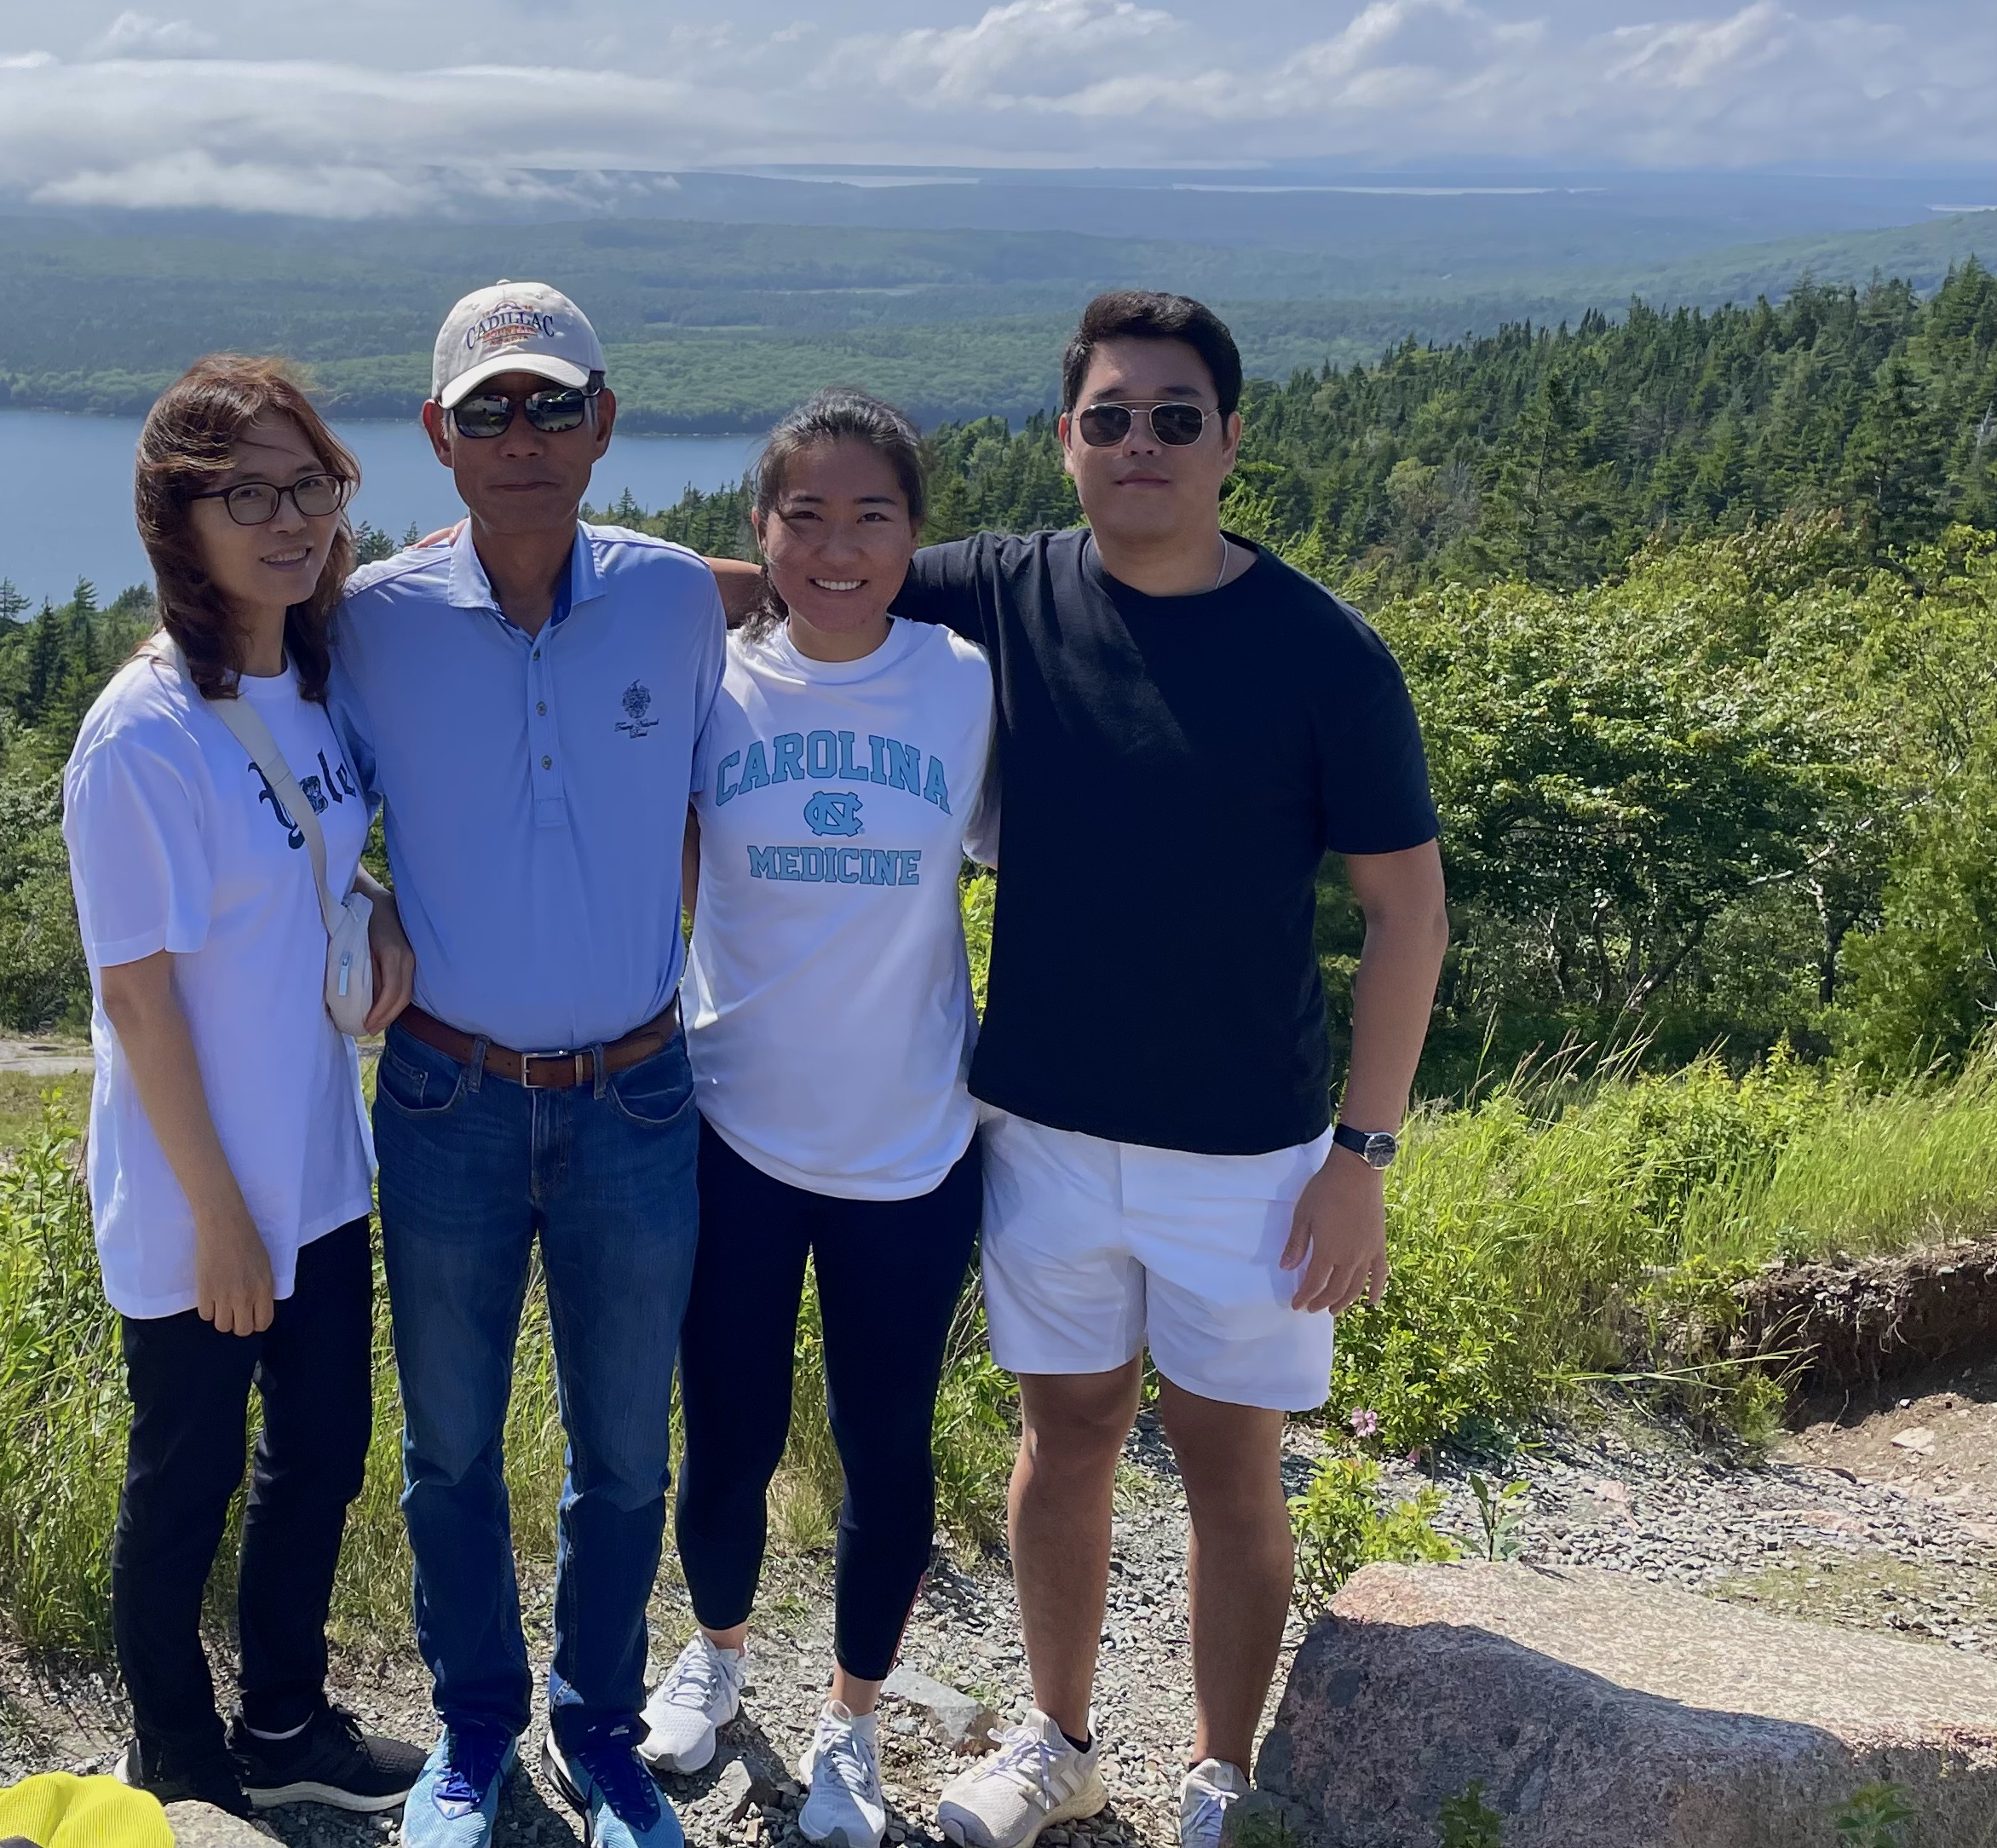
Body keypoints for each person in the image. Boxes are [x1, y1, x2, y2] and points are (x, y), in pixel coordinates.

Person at [703, 291, 1447, 1848]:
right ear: (1064, 439)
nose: (1139, 444)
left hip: (1245, 1148)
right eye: (1108, 416)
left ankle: (1220, 1773)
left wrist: (1359, 1155)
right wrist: (542, 585)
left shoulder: (1322, 654)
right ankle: (1057, 1740)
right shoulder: (1003, 591)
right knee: (1067, 1436)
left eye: (1175, 417)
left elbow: (1404, 914)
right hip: (1035, 1121)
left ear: (1231, 440)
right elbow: (823, 570)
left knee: (1231, 1460)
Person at [327, 282, 728, 1848]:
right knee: (448, 1449)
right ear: (437, 436)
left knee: (628, 1451)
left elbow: (824, 598)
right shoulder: (370, 618)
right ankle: (475, 1730)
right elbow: (278, 787)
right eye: (486, 409)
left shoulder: (677, 599)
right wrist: (355, 908)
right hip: (447, 1093)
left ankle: (603, 1731)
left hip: (637, 1093)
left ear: (603, 422)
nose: (520, 435)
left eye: (550, 404)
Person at [59, 354, 430, 1820]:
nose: (289, 520)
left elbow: (315, 867)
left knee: (322, 1454)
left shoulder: (309, 679)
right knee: (187, 1479)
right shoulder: (139, 738)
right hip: (192, 1188)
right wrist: (218, 1218)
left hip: (319, 1166)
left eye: (311, 484)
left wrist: (381, 901)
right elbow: (136, 997)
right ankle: (179, 1751)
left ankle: (285, 1720)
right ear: (178, 521)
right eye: (247, 494)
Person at [637, 390, 994, 1848]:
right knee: (724, 1429)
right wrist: (726, 589)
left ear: (919, 534)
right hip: (730, 1127)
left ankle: (850, 1722)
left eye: (872, 515)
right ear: (756, 531)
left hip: (913, 1139)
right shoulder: (709, 681)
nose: (837, 546)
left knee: (884, 1444)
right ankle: (715, 1658)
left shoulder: (967, 680)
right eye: (803, 516)